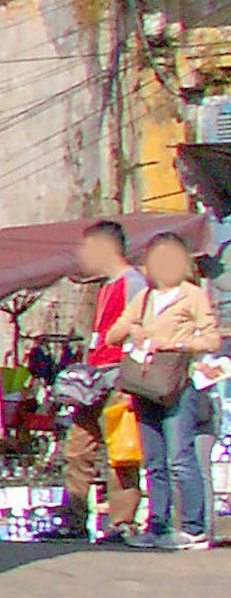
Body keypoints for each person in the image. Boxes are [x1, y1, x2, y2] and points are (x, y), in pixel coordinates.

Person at [122, 234, 219, 551]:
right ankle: (157, 526)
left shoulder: (192, 296)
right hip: (146, 384)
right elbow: (118, 330)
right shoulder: (146, 296)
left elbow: (212, 340)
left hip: (178, 385)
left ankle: (193, 528)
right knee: (154, 461)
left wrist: (178, 345)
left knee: (180, 458)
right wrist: (135, 331)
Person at [59, 219, 140, 541]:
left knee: (120, 451)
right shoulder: (104, 286)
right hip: (93, 380)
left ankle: (123, 522)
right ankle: (74, 520)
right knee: (77, 449)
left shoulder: (133, 282)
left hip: (119, 376)